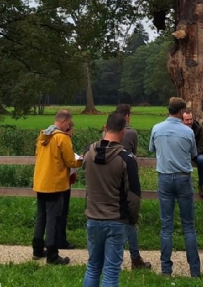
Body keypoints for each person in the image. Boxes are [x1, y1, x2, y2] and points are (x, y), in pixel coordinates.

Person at [82, 112, 142, 287]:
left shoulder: (88, 153)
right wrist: (132, 219)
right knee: (110, 272)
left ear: (105, 128)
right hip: (116, 219)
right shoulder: (125, 159)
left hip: (93, 217)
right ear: (123, 132)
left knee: (93, 266)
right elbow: (134, 196)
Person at [149, 97, 201, 278]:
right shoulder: (188, 132)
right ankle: (194, 270)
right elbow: (193, 153)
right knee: (188, 226)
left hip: (164, 177)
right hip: (183, 178)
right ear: (181, 113)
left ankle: (166, 269)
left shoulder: (157, 128)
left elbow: (151, 149)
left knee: (166, 226)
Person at [32, 109, 82, 265]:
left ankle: (37, 249)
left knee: (41, 216)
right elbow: (70, 161)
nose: (68, 126)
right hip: (55, 184)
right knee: (53, 218)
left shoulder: (42, 137)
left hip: (41, 182)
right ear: (63, 121)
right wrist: (81, 160)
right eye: (68, 123)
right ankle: (52, 254)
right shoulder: (62, 138)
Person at [114, 104, 152, 270]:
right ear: (128, 116)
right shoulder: (132, 133)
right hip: (129, 175)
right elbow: (134, 152)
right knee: (130, 221)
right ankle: (135, 257)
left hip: (112, 178)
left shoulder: (107, 133)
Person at [181, 109, 203, 198]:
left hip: (197, 152)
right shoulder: (179, 129)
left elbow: (202, 146)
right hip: (182, 153)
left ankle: (202, 185)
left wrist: (192, 154)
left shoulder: (199, 129)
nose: (189, 122)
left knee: (201, 160)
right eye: (187, 120)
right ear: (182, 120)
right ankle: (182, 186)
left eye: (191, 119)